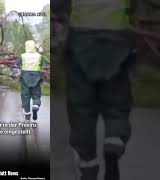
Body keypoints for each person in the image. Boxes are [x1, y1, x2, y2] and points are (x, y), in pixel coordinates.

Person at [53, 0, 136, 179]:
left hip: (80, 40)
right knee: (117, 105)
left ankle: (88, 168)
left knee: (81, 110)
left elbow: (59, 5)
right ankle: (113, 143)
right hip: (118, 40)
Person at [16, 40, 46, 121]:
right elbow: (44, 65)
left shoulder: (22, 56)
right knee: (36, 95)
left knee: (25, 96)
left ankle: (27, 114)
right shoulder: (39, 56)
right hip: (36, 78)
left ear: (26, 46)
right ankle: (35, 106)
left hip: (25, 78)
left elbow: (16, 64)